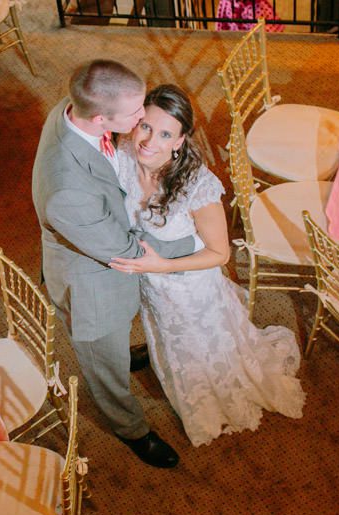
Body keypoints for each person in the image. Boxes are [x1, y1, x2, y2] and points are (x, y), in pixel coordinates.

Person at [108, 84, 305, 447]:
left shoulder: (196, 185)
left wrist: (161, 266)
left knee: (198, 341)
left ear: (180, 141)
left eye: (165, 133)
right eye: (146, 127)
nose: (150, 140)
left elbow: (220, 254)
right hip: (151, 285)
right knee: (163, 334)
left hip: (189, 286)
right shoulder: (122, 153)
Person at [31, 61, 196, 468]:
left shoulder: (71, 108)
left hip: (92, 231)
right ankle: (132, 430)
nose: (144, 116)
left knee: (116, 350)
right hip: (92, 288)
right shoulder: (67, 190)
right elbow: (126, 250)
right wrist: (190, 245)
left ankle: (123, 354)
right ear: (101, 118)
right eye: (136, 112)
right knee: (105, 368)